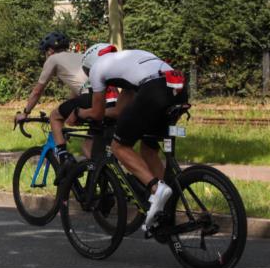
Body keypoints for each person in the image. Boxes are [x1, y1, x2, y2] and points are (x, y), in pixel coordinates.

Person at [76, 43, 188, 232]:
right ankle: (164, 208)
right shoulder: (129, 61)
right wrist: (101, 113)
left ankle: (156, 189)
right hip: (178, 87)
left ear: (90, 63)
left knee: (119, 147)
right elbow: (119, 111)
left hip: (154, 89)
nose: (90, 75)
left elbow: (96, 112)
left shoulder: (97, 68)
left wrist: (80, 113)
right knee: (148, 148)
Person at [14, 32, 115, 170]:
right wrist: (68, 112)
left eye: (45, 53)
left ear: (50, 50)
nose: (46, 56)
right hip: (108, 99)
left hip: (91, 97)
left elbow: (38, 91)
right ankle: (103, 182)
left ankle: (63, 158)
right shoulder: (81, 56)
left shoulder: (52, 59)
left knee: (55, 116)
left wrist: (25, 113)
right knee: (88, 149)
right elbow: (77, 90)